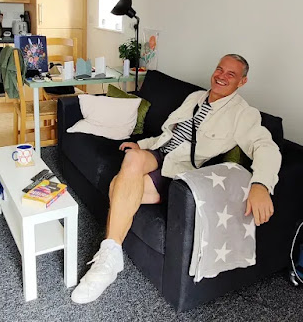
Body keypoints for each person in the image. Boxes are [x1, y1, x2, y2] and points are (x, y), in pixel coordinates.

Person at [71, 54, 282, 304]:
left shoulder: (243, 114)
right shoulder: (195, 97)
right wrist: (141, 144)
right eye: (219, 69)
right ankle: (111, 255)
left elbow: (266, 147)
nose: (221, 76)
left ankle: (108, 259)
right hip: (160, 153)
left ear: (242, 81)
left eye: (231, 74)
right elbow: (168, 136)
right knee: (132, 157)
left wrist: (261, 184)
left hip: (178, 169)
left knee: (118, 186)